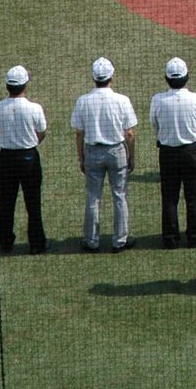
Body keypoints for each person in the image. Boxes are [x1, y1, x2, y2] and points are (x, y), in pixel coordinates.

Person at [70, 57, 138, 252]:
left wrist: (81, 157)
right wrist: (131, 156)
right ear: (111, 76)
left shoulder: (83, 101)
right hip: (117, 152)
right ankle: (120, 240)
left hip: (92, 152)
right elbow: (129, 133)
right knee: (120, 196)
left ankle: (91, 241)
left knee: (93, 197)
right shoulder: (122, 100)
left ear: (93, 77)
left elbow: (79, 133)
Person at [150, 57, 196, 248]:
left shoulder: (157, 100)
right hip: (191, 152)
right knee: (193, 196)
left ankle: (170, 238)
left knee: (169, 197)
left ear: (167, 79)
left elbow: (155, 124)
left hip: (168, 153)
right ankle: (195, 236)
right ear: (186, 77)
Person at [0, 65, 47, 254]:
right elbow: (41, 133)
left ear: (7, 86)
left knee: (6, 202)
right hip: (29, 158)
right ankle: (37, 244)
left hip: (6, 159)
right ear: (25, 85)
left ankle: (5, 242)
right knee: (33, 202)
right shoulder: (34, 108)